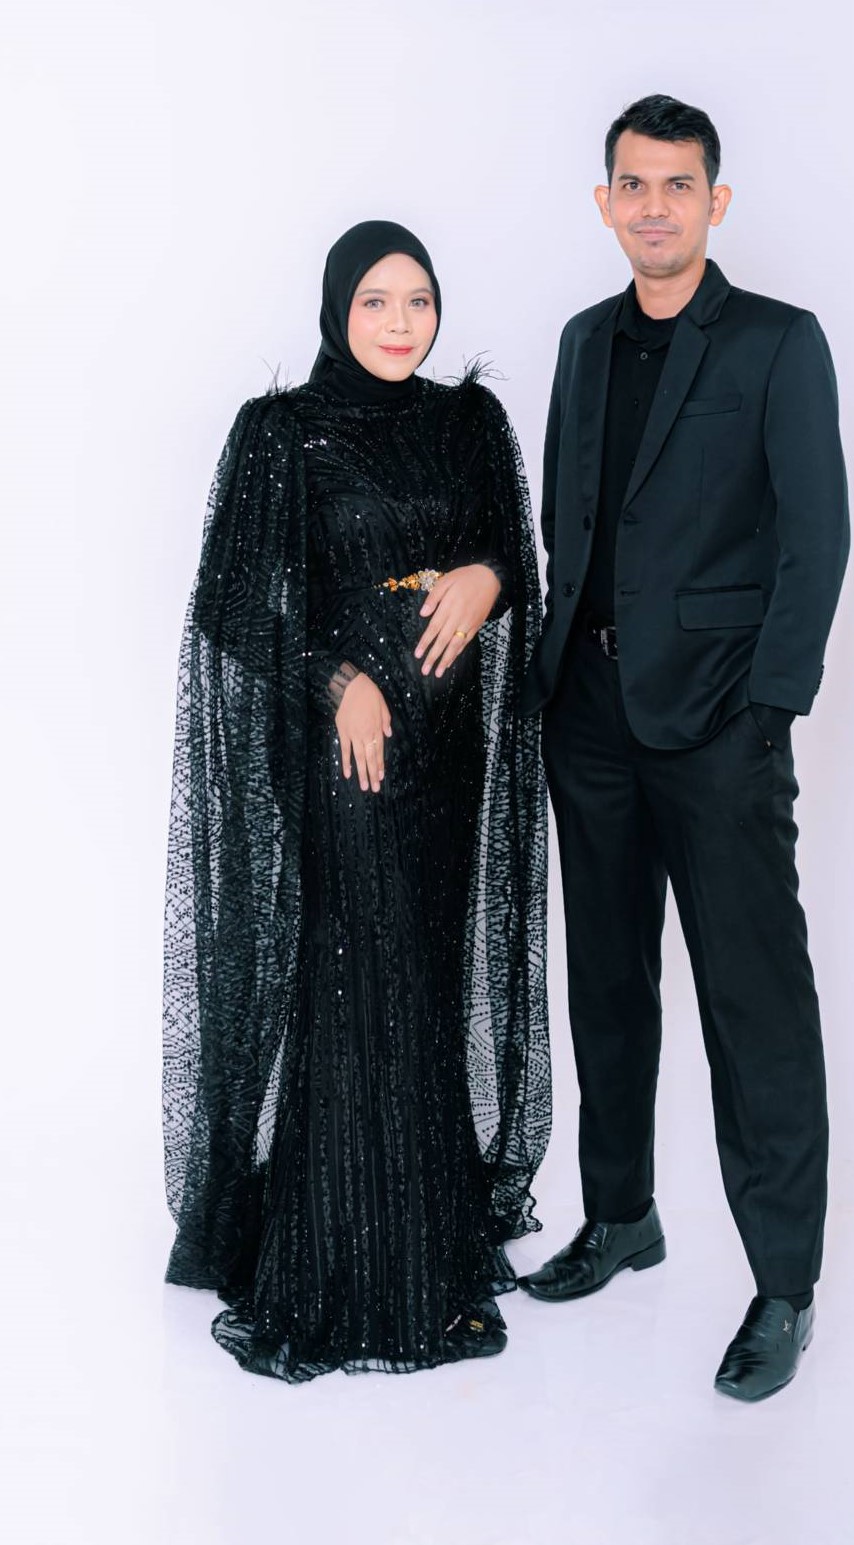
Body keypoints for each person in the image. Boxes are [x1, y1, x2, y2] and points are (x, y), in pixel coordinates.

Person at [163, 221, 549, 1381]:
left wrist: (484, 573)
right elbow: (231, 605)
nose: (399, 322)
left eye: (417, 299)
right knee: (352, 976)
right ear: (337, 308)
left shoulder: (469, 422)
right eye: (376, 300)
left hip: (444, 757)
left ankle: (426, 1244)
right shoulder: (280, 431)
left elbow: (514, 560)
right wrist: (338, 683)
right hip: (347, 760)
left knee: (423, 977)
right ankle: (339, 1261)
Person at [519, 96, 849, 1401]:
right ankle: (620, 1216)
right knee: (606, 982)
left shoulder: (776, 342)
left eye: (676, 185)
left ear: (715, 201)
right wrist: (555, 674)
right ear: (603, 201)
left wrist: (766, 708)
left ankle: (784, 1287)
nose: (651, 206)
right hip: (587, 716)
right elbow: (569, 518)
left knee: (750, 1003)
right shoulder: (580, 340)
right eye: (631, 184)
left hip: (717, 725)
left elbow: (815, 537)